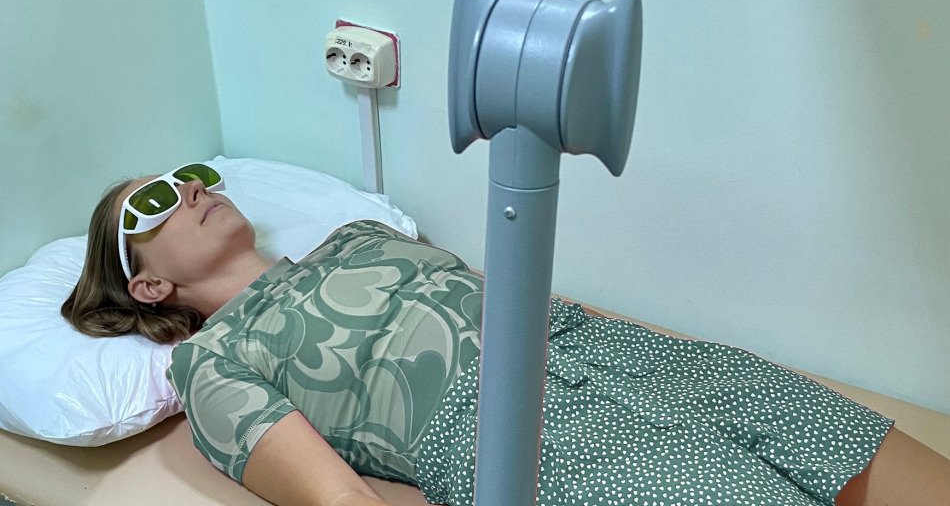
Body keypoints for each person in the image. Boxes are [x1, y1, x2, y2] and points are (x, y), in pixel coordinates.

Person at [62, 164, 950, 506]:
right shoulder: (213, 361)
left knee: (854, 444)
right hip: (511, 435)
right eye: (154, 202)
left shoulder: (358, 237)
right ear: (148, 284)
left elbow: (514, 293)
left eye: (192, 175)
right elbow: (338, 500)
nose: (190, 190)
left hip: (618, 354)